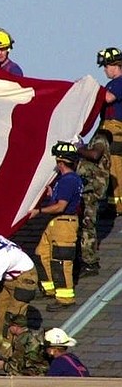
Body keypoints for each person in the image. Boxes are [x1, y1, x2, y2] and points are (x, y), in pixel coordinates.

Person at [29, 142, 83, 312]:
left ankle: (65, 298)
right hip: (57, 223)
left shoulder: (68, 180)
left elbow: (60, 207)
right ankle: (50, 288)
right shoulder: (66, 180)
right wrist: (52, 195)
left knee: (61, 260)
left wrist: (40, 210)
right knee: (41, 253)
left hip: (64, 224)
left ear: (60, 163)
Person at [76, 129, 112, 277]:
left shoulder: (100, 139)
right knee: (84, 225)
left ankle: (90, 262)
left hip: (91, 190)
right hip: (87, 188)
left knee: (87, 225)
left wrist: (79, 148)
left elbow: (94, 154)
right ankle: (84, 257)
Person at [98, 47, 122, 216]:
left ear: (115, 65)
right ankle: (109, 203)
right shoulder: (111, 83)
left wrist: (93, 90)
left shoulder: (119, 83)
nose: (105, 70)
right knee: (105, 167)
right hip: (106, 128)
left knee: (115, 167)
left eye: (106, 66)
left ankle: (118, 205)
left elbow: (108, 98)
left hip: (115, 129)